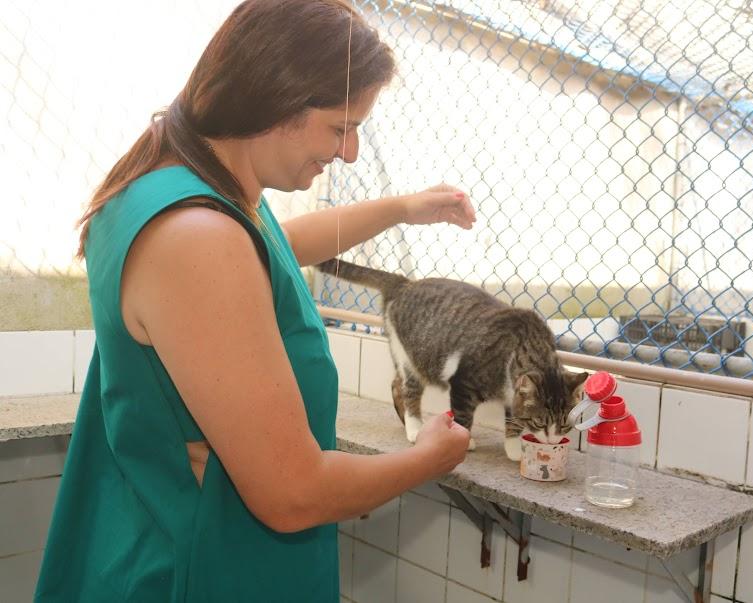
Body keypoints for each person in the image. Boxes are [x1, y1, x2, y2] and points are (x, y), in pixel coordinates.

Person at [35, 1, 473, 600]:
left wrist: (403, 209)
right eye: (340, 127)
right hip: (200, 569)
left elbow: (277, 249)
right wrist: (427, 456)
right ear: (275, 101)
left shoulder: (183, 188)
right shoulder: (199, 239)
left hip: (154, 537)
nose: (349, 153)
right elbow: (292, 493)